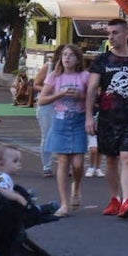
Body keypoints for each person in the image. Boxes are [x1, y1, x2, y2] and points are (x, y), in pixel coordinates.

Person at [85, 18, 128, 219]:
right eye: (109, 33)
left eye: (115, 32)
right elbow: (91, 88)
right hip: (108, 117)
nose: (111, 37)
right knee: (112, 160)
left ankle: (127, 200)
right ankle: (115, 198)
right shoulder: (102, 60)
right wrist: (89, 117)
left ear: (126, 34)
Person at [40, 45, 89, 217]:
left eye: (71, 55)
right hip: (60, 122)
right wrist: (59, 94)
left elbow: (93, 98)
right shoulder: (54, 77)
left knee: (77, 164)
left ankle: (76, 186)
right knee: (62, 162)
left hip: (79, 121)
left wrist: (80, 96)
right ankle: (64, 203)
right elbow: (42, 100)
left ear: (78, 59)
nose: (67, 58)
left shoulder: (84, 76)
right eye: (64, 55)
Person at [32, 48, 63, 177]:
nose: (67, 58)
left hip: (64, 105)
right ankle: (47, 166)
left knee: (64, 135)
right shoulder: (49, 66)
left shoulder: (74, 72)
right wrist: (49, 90)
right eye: (64, 54)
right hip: (47, 105)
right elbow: (36, 85)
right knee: (47, 135)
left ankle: (65, 165)